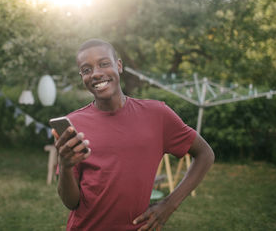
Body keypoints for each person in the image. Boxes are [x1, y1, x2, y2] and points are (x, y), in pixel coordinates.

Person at [53, 38, 215, 231]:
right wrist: (65, 165)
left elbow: (205, 154)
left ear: (119, 65)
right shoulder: (74, 124)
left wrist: (170, 204)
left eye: (104, 64)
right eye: (87, 70)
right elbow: (71, 203)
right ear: (82, 76)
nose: (96, 74)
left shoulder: (157, 115)